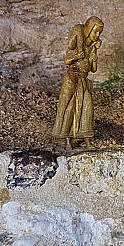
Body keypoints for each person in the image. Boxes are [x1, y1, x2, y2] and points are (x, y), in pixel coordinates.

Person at [52, 16, 104, 151]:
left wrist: (93, 59)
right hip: (72, 79)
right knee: (69, 108)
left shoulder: (92, 47)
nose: (97, 35)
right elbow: (67, 60)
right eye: (95, 31)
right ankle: (66, 138)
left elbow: (93, 69)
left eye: (99, 33)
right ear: (88, 29)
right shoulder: (77, 44)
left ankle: (86, 138)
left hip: (83, 81)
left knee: (87, 108)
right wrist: (78, 55)